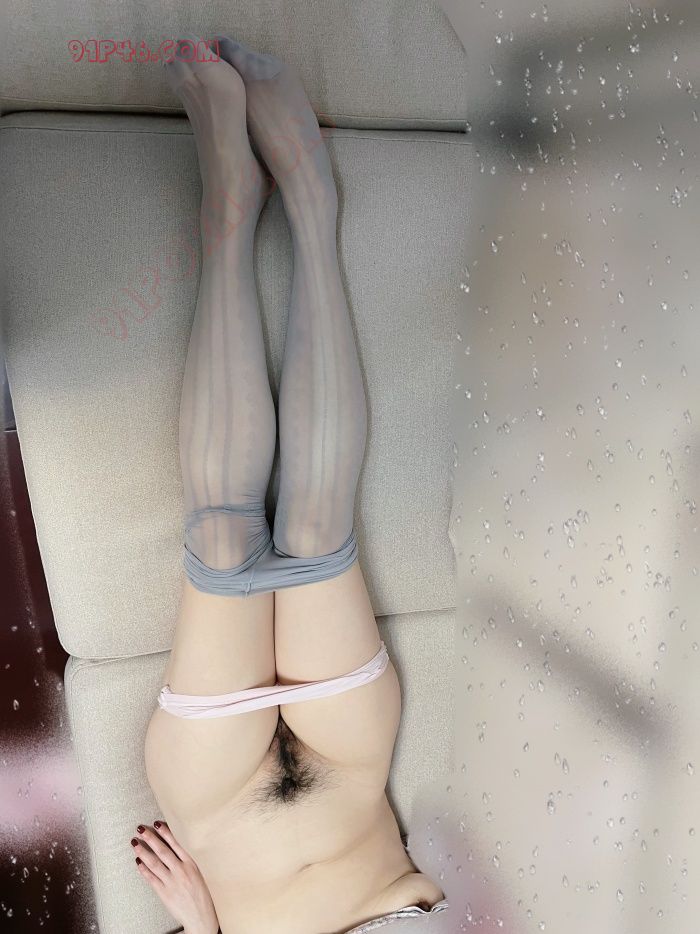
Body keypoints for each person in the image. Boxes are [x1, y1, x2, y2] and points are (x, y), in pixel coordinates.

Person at [137, 36, 448, 934]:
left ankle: (229, 200)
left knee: (222, 536)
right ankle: (311, 206)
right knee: (315, 528)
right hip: (350, 776)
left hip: (220, 810)